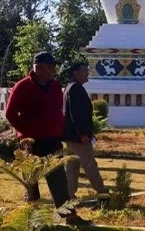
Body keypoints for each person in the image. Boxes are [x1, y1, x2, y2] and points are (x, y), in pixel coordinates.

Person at [5, 51, 90, 226]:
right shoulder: (22, 87)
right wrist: (25, 133)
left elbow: (58, 111)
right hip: (31, 143)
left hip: (53, 142)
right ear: (37, 68)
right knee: (31, 183)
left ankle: (70, 217)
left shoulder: (55, 86)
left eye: (54, 66)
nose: (53, 70)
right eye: (49, 66)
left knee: (59, 181)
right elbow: (10, 113)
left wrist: (59, 129)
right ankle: (33, 221)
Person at [63, 62, 108, 199]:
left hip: (70, 136)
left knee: (72, 166)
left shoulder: (69, 87)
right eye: (84, 71)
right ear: (75, 73)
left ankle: (69, 195)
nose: (87, 74)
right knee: (90, 165)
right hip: (78, 138)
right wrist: (83, 134)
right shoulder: (76, 88)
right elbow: (77, 115)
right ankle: (102, 192)